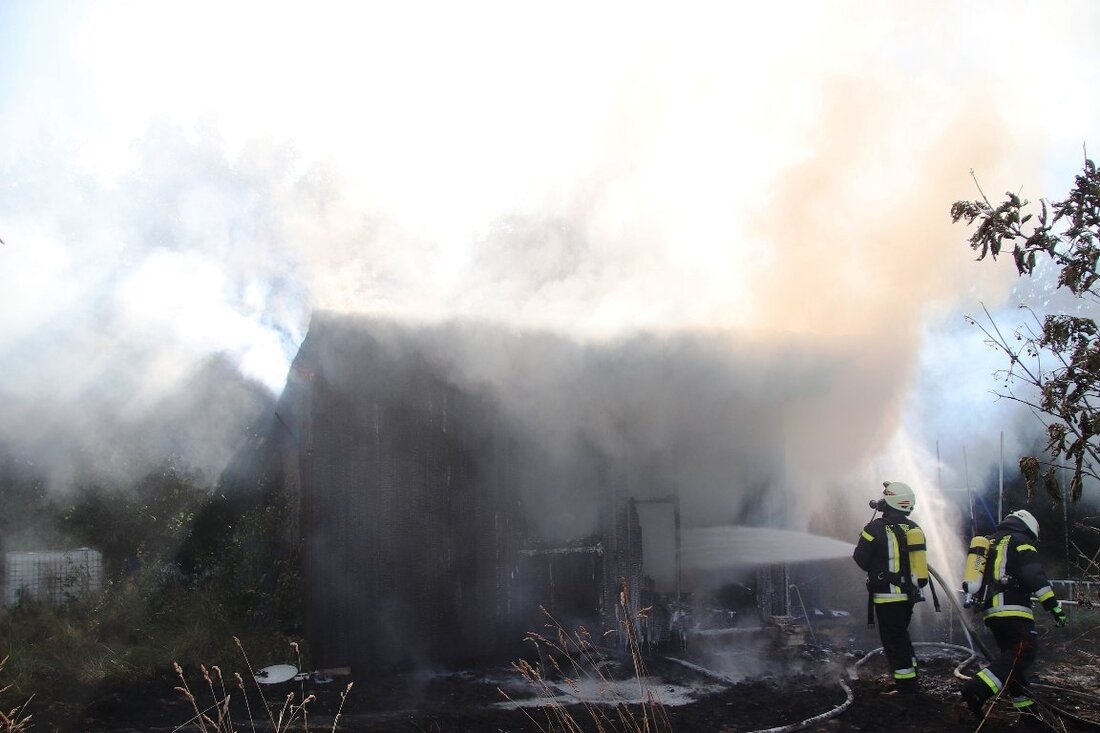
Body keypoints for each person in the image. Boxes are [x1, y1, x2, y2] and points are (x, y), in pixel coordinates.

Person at [960, 509, 1067, 725]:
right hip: (1013, 608)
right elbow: (1034, 576)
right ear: (1028, 527)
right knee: (1024, 651)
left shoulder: (991, 542)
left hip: (993, 611)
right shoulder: (1021, 541)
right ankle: (977, 688)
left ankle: (1028, 714)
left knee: (1013, 660)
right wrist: (1053, 607)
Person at [852, 481, 929, 695]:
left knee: (894, 641)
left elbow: (860, 559)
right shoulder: (914, 528)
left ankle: (906, 687)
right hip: (909, 596)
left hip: (887, 596)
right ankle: (910, 677)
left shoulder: (874, 528)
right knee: (901, 636)